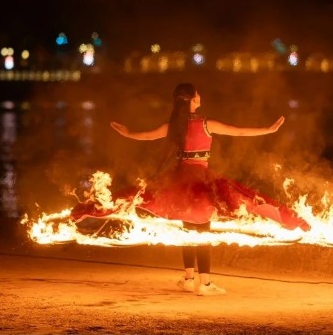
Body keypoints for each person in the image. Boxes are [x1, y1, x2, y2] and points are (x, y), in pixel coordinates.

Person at [100, 83, 310, 296]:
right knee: (203, 231)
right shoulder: (205, 123)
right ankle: (206, 284)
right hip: (201, 181)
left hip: (180, 182)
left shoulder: (174, 126)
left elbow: (146, 136)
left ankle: (189, 279)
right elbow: (239, 132)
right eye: (197, 94)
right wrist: (268, 130)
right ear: (192, 99)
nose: (200, 96)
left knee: (188, 231)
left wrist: (127, 134)